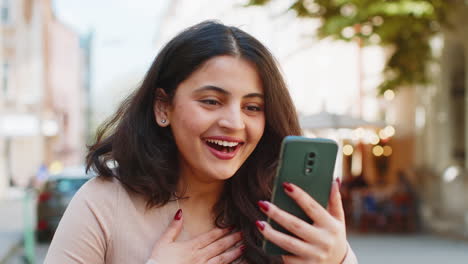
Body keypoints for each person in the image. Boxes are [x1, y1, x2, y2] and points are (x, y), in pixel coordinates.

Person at [44, 20, 358, 264]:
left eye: (252, 107)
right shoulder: (104, 204)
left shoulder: (282, 212)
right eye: (211, 101)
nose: (234, 122)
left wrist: (339, 258)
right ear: (163, 107)